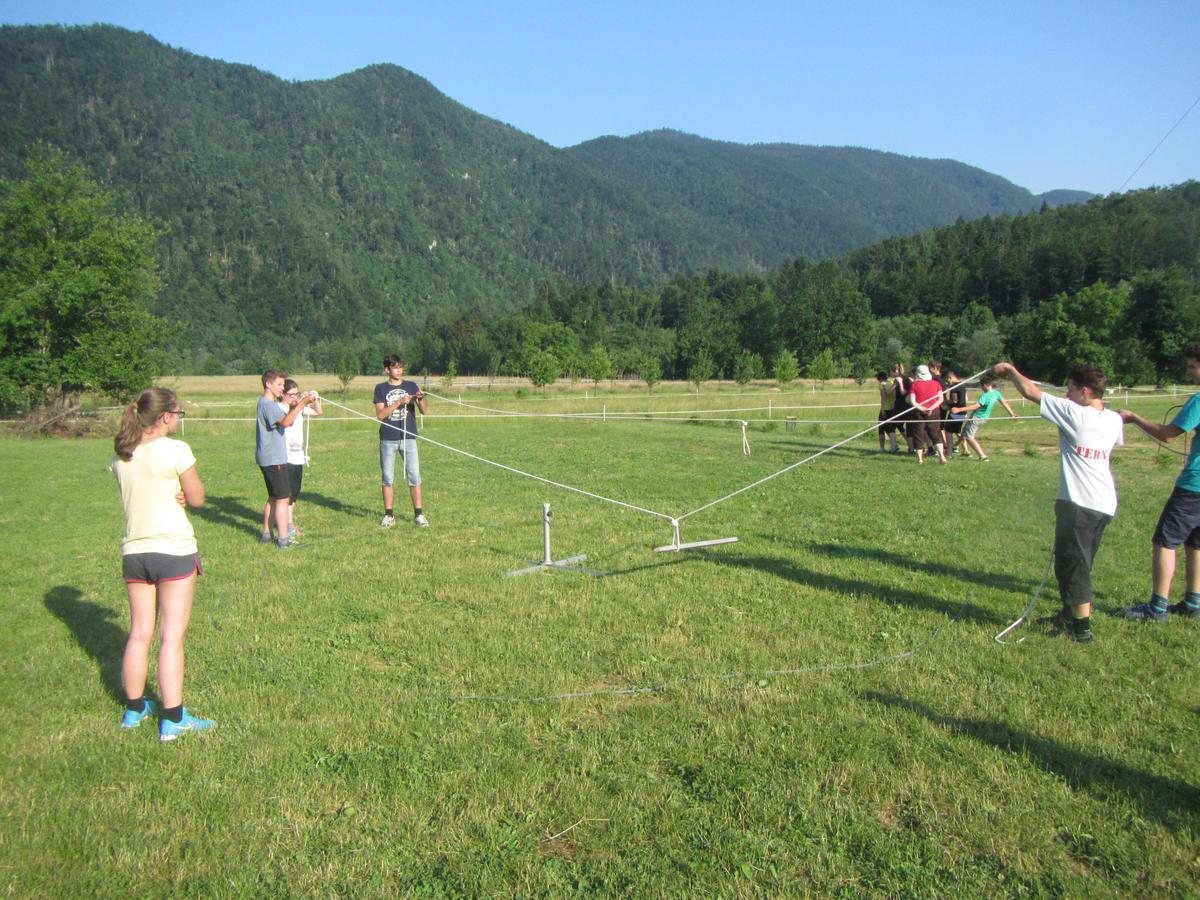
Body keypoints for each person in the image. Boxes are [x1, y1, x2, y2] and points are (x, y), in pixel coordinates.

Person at [993, 362, 1124, 643]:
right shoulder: (1113, 419)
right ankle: (1068, 615)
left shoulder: (1074, 413)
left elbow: (1029, 391)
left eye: (1071, 389)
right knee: (1077, 561)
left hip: (1079, 502)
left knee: (1073, 565)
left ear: (1085, 390)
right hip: (1104, 503)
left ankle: (1081, 630)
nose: (1067, 394)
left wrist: (1010, 370)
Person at [112, 388, 214, 740]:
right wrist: (186, 494)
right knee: (172, 636)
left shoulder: (123, 455)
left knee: (140, 633)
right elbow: (199, 498)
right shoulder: (177, 450)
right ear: (167, 416)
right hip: (172, 549)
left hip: (135, 553)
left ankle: (135, 708)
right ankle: (173, 717)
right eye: (178, 413)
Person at [1117, 343, 1200, 621]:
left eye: (1192, 366)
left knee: (1165, 541)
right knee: (1196, 543)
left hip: (1194, 487)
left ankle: (1157, 608)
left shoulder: (1199, 400)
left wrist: (1134, 418)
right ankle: (1193, 602)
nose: (1188, 372)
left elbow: (1168, 434)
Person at [257, 370, 318, 548]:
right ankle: (283, 540)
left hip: (270, 457)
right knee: (283, 498)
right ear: (268, 384)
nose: (282, 388)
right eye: (279, 385)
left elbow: (288, 420)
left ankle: (267, 534)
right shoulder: (268, 405)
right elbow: (285, 423)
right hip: (274, 458)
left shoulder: (268, 405)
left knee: (274, 497)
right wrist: (302, 403)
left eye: (283, 385)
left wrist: (296, 405)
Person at [374, 356, 429, 527]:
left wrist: (420, 399)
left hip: (409, 438)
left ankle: (419, 515)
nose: (399, 371)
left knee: (414, 476)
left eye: (401, 367)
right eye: (395, 368)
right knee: (388, 478)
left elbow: (425, 411)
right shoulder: (380, 388)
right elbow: (381, 415)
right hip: (388, 438)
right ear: (387, 370)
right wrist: (399, 402)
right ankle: (389, 515)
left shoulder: (411, 385)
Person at [952, 373, 1018, 460]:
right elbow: (1004, 403)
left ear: (986, 385)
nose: (981, 388)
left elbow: (976, 406)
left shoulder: (985, 396)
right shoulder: (996, 393)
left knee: (969, 437)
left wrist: (958, 410)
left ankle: (983, 456)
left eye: (982, 386)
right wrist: (1012, 414)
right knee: (964, 431)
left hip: (976, 418)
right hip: (984, 418)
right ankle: (954, 446)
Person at [907, 364, 947, 463]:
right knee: (936, 434)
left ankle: (920, 459)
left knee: (918, 434)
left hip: (919, 412)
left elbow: (912, 401)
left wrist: (923, 409)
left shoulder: (914, 385)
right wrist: (931, 408)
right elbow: (941, 399)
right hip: (934, 412)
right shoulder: (936, 383)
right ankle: (942, 456)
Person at [886, 363, 913, 454]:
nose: (892, 373)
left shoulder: (898, 380)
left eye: (892, 371)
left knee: (891, 426)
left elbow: (889, 393)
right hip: (909, 407)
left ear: (896, 371)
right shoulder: (908, 379)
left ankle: (894, 447)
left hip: (900, 407)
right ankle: (911, 447)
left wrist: (885, 387)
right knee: (903, 427)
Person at [941, 367, 968, 455]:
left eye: (947, 380)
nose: (947, 382)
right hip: (963, 412)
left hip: (955, 412)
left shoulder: (954, 387)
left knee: (948, 431)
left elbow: (954, 400)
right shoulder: (963, 385)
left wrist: (944, 401)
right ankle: (966, 450)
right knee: (957, 431)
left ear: (950, 377)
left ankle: (949, 453)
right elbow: (966, 399)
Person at [875, 371, 898, 453]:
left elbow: (883, 398)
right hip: (893, 408)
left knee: (881, 428)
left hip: (886, 408)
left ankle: (882, 448)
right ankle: (894, 444)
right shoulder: (891, 382)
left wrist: (882, 409)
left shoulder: (882, 385)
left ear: (880, 379)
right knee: (889, 428)